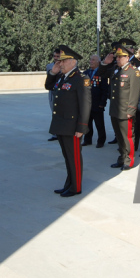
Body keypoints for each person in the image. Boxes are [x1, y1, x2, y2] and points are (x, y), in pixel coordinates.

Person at [45, 46, 91, 197]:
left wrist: (82, 127)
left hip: (72, 127)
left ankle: (76, 187)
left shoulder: (81, 79)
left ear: (72, 62)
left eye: (63, 61)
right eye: (60, 61)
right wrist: (53, 71)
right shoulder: (61, 76)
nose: (60, 64)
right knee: (67, 157)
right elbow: (48, 86)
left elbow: (85, 105)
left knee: (74, 158)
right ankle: (69, 183)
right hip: (61, 124)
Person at [100, 45, 140, 170]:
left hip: (125, 110)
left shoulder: (133, 71)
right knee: (119, 136)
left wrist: (131, 109)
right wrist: (104, 63)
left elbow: (134, 92)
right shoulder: (115, 70)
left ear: (127, 57)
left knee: (127, 136)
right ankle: (122, 158)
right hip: (115, 110)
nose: (117, 59)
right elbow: (101, 74)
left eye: (120, 57)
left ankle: (129, 160)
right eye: (116, 57)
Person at [83, 54, 109, 148]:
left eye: (93, 60)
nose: (91, 61)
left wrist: (103, 103)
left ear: (98, 62)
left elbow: (105, 90)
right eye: (90, 59)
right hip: (87, 104)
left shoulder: (102, 74)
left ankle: (101, 141)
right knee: (87, 124)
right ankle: (87, 140)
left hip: (97, 103)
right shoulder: (86, 73)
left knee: (99, 124)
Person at [46, 49, 61, 141]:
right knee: (54, 112)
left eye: (57, 56)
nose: (55, 58)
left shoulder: (64, 66)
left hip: (62, 92)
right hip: (53, 92)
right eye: (54, 56)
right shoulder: (49, 66)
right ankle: (55, 133)